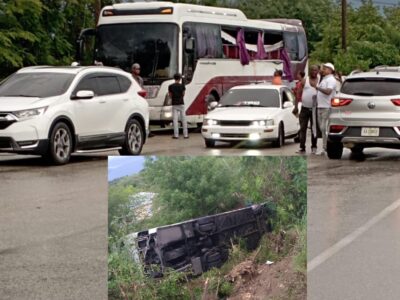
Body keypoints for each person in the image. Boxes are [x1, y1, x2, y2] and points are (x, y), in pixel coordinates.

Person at [311, 62, 336, 155]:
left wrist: (317, 88)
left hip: (327, 107)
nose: (323, 70)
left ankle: (325, 148)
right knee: (321, 128)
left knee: (324, 128)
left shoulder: (331, 80)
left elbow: (328, 92)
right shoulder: (324, 79)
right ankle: (324, 147)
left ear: (330, 70)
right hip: (320, 106)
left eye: (325, 68)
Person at [296, 66, 319, 154]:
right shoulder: (304, 80)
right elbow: (298, 94)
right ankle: (302, 147)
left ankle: (314, 147)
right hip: (304, 108)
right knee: (303, 128)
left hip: (315, 109)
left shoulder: (320, 81)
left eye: (315, 70)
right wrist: (295, 106)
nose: (314, 71)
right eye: (312, 70)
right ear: (309, 71)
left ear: (317, 71)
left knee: (314, 129)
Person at [168, 73, 188, 139]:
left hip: (174, 104)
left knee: (175, 120)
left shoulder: (170, 86)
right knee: (184, 119)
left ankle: (176, 135)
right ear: (179, 79)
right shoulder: (182, 86)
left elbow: (170, 95)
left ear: (174, 78)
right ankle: (185, 135)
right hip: (181, 103)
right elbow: (183, 94)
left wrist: (174, 97)